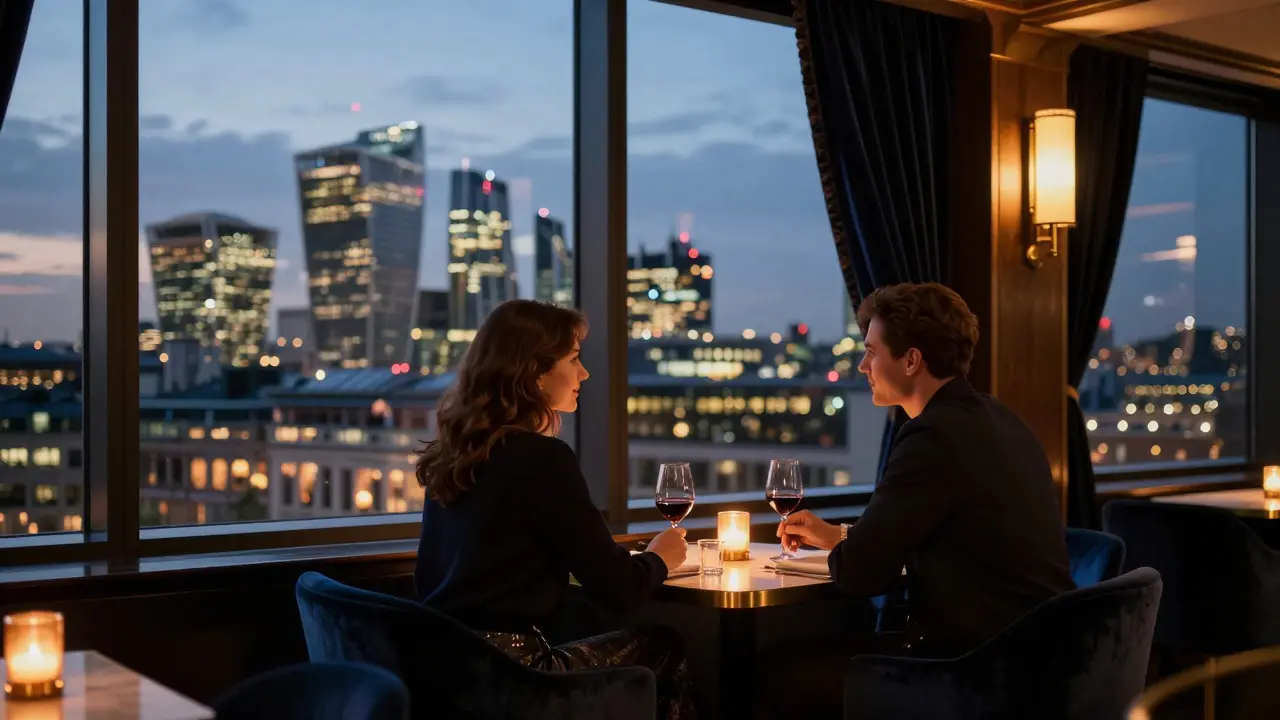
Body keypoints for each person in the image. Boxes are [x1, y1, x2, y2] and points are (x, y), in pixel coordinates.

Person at [767, 283, 1074, 717]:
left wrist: (849, 547)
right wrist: (840, 535)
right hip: (1043, 658)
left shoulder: (933, 436)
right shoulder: (998, 418)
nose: (862, 365)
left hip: (981, 672)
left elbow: (859, 574)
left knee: (781, 671)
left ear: (911, 360)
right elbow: (948, 539)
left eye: (872, 352)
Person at [414, 299, 696, 719]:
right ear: (534, 373)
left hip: (443, 674)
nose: (584, 373)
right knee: (664, 647)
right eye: (574, 359)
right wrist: (661, 557)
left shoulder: (455, 454)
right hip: (516, 679)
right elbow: (619, 590)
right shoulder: (543, 459)